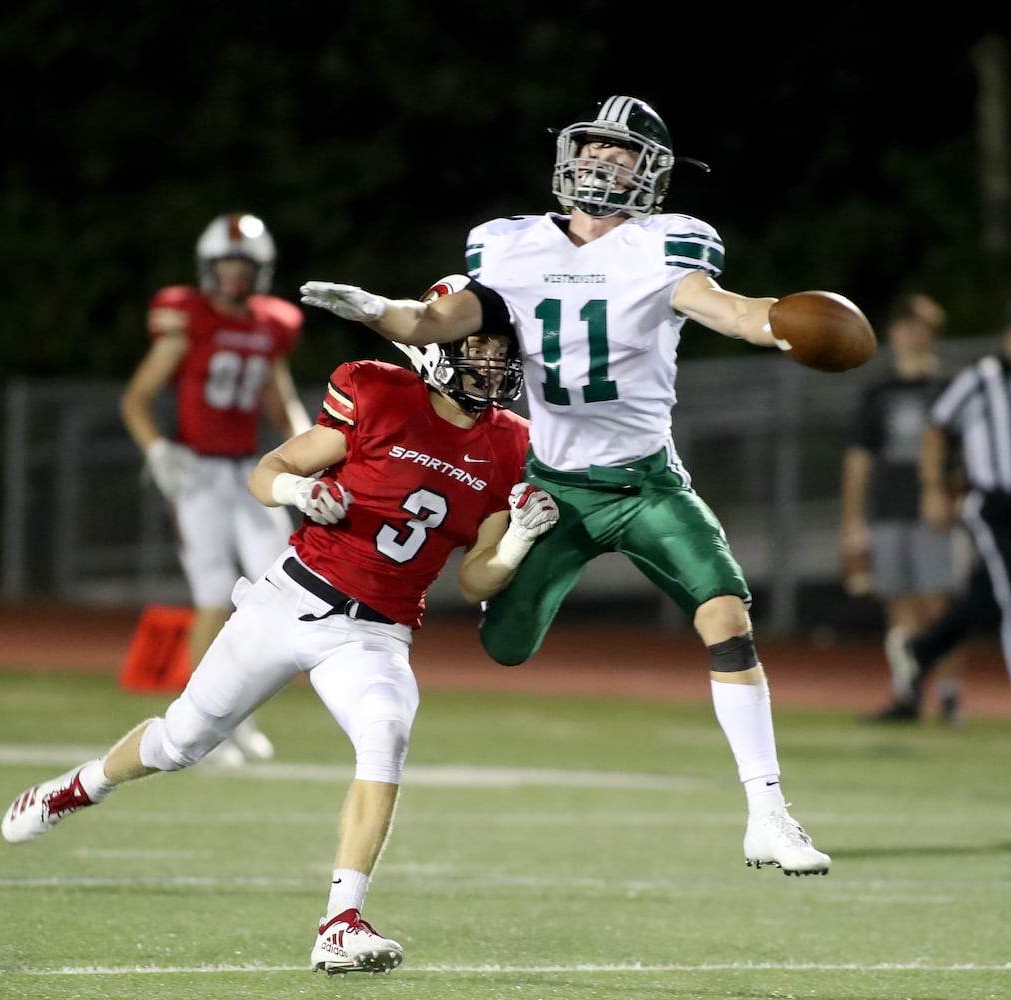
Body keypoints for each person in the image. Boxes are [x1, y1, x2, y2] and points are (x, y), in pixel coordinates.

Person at [300, 95, 834, 876]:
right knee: (505, 646)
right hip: (554, 486)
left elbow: (721, 308)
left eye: (620, 153)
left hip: (647, 482)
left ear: (650, 173)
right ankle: (763, 808)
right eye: (592, 147)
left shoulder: (662, 246)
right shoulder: (508, 245)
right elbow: (434, 323)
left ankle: (768, 813)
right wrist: (381, 311)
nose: (599, 161)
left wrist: (776, 322)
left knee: (726, 617)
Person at [2, 275, 556, 975]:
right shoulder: (378, 392)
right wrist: (300, 491)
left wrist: (514, 545)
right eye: (477, 347)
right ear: (438, 347)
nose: (493, 364)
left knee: (385, 734)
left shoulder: (510, 444)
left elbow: (475, 576)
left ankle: (340, 922)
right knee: (179, 742)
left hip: (376, 631)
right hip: (289, 598)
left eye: (500, 351)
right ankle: (80, 786)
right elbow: (270, 469)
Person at [120, 212, 312, 765]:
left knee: (279, 592)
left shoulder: (272, 323)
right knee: (212, 597)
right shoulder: (189, 318)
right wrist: (156, 448)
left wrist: (308, 452)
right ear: (208, 268)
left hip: (248, 473)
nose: (233, 276)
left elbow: (279, 401)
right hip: (196, 473)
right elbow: (135, 397)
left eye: (243, 266)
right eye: (226, 265)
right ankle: (197, 726)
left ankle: (238, 714)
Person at [875, 296, 1011, 734]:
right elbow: (936, 427)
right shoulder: (982, 379)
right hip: (994, 505)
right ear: (1010, 338)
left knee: (982, 599)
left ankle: (920, 651)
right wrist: (934, 488)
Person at [839, 293, 966, 724]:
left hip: (933, 510)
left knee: (937, 605)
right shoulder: (879, 393)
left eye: (920, 327)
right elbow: (860, 458)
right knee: (899, 604)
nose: (911, 335)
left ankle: (948, 696)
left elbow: (965, 456)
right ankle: (907, 692)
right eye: (905, 326)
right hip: (890, 507)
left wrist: (954, 500)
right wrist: (853, 518)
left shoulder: (947, 389)